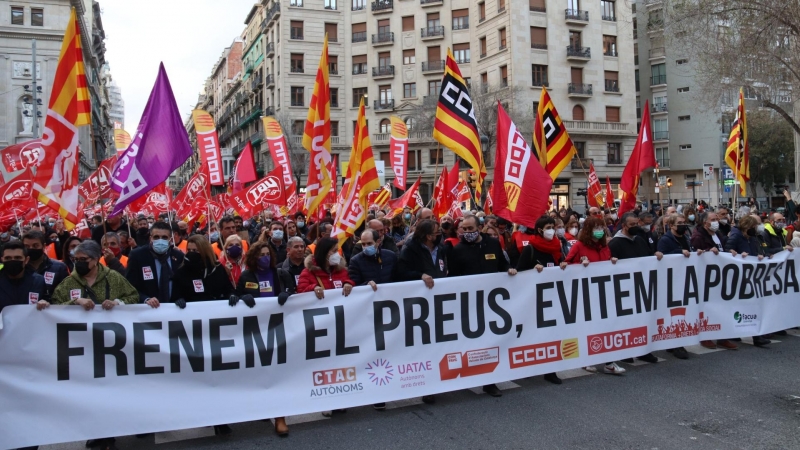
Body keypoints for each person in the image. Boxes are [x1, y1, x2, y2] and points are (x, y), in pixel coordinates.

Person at [449, 215, 516, 397]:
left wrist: (508, 270)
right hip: (470, 303)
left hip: (492, 303)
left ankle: (489, 382)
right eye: (464, 229)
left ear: (479, 228)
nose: (467, 232)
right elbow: (453, 277)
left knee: (490, 342)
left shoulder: (493, 244)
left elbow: (502, 264)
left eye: (471, 229)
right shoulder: (458, 250)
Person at [561, 217, 626, 374]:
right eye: (596, 227)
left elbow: (606, 264)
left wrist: (612, 261)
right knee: (588, 328)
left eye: (601, 227)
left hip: (603, 294)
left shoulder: (604, 247)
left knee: (606, 326)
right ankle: (587, 359)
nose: (600, 230)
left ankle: (609, 362)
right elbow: (565, 266)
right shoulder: (579, 246)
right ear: (589, 230)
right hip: (585, 295)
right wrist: (580, 265)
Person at [516, 216, 566, 385]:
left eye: (553, 226)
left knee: (551, 335)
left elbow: (560, 264)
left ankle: (550, 371)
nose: (552, 230)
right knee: (532, 335)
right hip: (533, 301)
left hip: (552, 298)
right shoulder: (530, 249)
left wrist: (563, 265)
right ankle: (528, 366)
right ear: (539, 230)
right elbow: (519, 273)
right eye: (549, 227)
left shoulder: (556, 247)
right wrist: (532, 270)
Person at [608, 213, 663, 364]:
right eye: (631, 225)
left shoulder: (639, 240)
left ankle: (643, 350)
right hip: (624, 289)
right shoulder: (615, 243)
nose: (635, 227)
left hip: (641, 286)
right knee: (626, 321)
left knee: (642, 320)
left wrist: (655, 255)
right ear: (624, 226)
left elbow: (648, 257)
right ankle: (625, 351)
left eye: (636, 224)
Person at [126, 222, 186, 307]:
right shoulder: (137, 256)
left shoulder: (178, 256)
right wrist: (145, 299)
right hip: (148, 310)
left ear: (170, 240)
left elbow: (183, 283)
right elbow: (129, 286)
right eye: (156, 237)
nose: (160, 240)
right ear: (150, 238)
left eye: (164, 237)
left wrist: (180, 298)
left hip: (173, 310)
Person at [171, 235, 234, 308]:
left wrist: (232, 295)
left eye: (195, 250)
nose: (191, 253)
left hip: (214, 312)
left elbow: (228, 290)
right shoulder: (182, 271)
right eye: (189, 250)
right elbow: (175, 295)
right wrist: (178, 299)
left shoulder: (217, 269)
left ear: (204, 251)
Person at [22, 231, 69, 302]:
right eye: (27, 246)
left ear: (43, 246)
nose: (31, 249)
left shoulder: (59, 267)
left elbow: (66, 294)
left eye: (35, 246)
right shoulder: (20, 268)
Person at [0, 241, 46, 313]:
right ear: (2, 259)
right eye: (8, 258)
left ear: (26, 260)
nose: (13, 261)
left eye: (17, 258)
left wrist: (46, 303)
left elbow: (48, 301)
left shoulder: (38, 281)